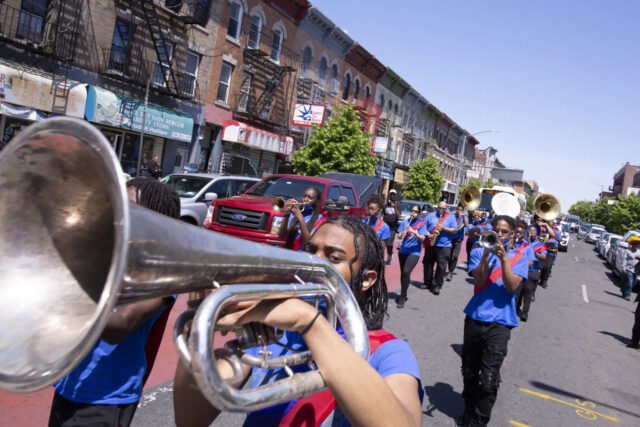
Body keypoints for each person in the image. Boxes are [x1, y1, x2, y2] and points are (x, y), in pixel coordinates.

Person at [173, 216, 424, 426]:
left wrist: (310, 323)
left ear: (367, 279)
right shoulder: (273, 332)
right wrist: (198, 330)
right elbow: (190, 420)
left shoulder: (390, 352)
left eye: (333, 258)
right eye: (310, 250)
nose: (312, 263)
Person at [49, 178, 180, 427]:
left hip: (107, 399)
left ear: (156, 218)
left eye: (131, 209)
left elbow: (119, 326)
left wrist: (70, 288)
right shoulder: (107, 257)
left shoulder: (163, 276)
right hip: (70, 384)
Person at [459, 215, 528, 427]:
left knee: (488, 378)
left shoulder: (519, 257)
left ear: (513, 234)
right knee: (469, 372)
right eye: (496, 230)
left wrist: (505, 259)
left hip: (500, 322)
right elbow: (478, 280)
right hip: (475, 317)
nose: (499, 234)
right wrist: (486, 255)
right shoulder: (479, 251)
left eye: (504, 231)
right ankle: (469, 410)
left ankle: (479, 421)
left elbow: (511, 286)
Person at [422, 200, 458, 295]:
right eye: (440, 208)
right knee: (428, 263)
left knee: (441, 266)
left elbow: (454, 230)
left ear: (446, 209)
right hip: (431, 243)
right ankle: (428, 282)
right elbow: (422, 227)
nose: (441, 210)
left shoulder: (451, 218)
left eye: (444, 209)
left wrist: (444, 228)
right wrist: (428, 234)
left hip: (444, 245)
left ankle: (437, 285)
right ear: (437, 207)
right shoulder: (430, 216)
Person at [396, 205, 428, 308]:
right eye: (411, 211)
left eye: (415, 212)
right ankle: (403, 294)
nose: (412, 213)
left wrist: (415, 232)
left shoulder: (422, 224)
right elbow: (399, 235)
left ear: (418, 214)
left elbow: (422, 239)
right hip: (403, 250)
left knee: (406, 271)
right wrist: (402, 235)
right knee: (403, 274)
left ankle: (402, 297)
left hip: (414, 252)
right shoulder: (405, 222)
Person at [516, 223, 547, 322]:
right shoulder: (523, 242)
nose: (531, 232)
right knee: (517, 292)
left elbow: (544, 257)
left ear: (537, 234)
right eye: (530, 230)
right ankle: (515, 308)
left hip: (532, 271)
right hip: (521, 270)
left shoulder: (540, 245)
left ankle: (525, 312)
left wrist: (533, 252)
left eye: (533, 231)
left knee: (528, 292)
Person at [279, 186, 324, 251]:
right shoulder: (294, 215)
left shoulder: (320, 219)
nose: (305, 199)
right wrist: (286, 215)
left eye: (310, 197)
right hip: (289, 252)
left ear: (316, 201)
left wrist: (300, 218)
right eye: (304, 196)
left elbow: (307, 243)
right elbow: (281, 236)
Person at [447, 203, 468, 280]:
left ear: (463, 211)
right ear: (456, 210)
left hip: (459, 239)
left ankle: (450, 272)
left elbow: (466, 225)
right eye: (458, 209)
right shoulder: (452, 217)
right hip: (451, 238)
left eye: (461, 210)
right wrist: (459, 217)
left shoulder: (464, 217)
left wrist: (463, 217)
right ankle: (450, 269)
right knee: (449, 256)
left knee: (455, 256)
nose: (459, 211)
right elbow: (455, 226)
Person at [537, 217, 559, 289]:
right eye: (549, 224)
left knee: (547, 267)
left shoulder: (556, 231)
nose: (550, 226)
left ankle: (544, 280)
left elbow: (554, 237)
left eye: (551, 225)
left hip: (550, 254)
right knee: (540, 267)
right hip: (540, 251)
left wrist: (551, 249)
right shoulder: (542, 230)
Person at [383, 189, 401, 265]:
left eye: (394, 194)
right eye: (391, 194)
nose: (392, 195)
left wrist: (395, 207)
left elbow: (398, 215)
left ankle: (390, 254)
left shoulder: (397, 205)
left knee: (389, 243)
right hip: (385, 227)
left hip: (392, 228)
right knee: (383, 243)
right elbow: (383, 214)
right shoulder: (386, 205)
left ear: (395, 195)